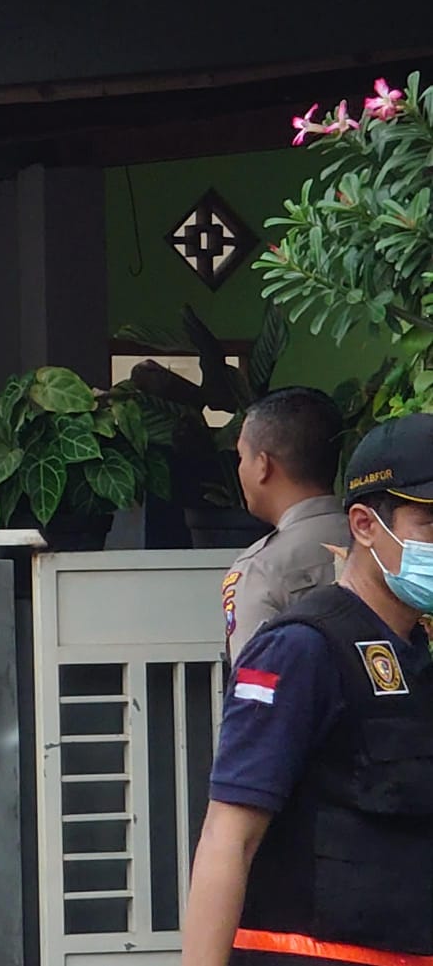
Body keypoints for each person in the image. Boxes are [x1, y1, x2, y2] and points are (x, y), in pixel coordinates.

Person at [183, 413, 433, 966]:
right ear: (365, 525)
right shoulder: (301, 649)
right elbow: (230, 837)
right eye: (430, 524)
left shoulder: (418, 649)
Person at [223, 387, 348, 664]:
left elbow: (256, 696)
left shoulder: (261, 569)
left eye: (242, 457)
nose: (239, 468)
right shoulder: (381, 541)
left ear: (263, 465)